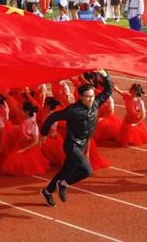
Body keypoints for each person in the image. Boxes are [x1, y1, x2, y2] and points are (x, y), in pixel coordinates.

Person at [40, 69, 112, 206]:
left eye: (92, 96)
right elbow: (53, 117)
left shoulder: (96, 104)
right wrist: (44, 133)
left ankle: (47, 191)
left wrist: (105, 75)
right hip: (72, 145)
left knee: (66, 171)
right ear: (80, 96)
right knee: (87, 171)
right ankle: (64, 184)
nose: (91, 99)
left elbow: (108, 91)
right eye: (87, 96)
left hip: (83, 144)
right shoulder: (73, 110)